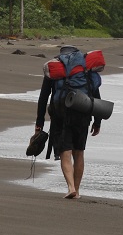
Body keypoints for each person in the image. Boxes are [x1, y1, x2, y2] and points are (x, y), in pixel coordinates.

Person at [35, 45, 102, 199]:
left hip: (61, 115)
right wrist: (97, 121)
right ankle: (77, 191)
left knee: (65, 152)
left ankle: (70, 187)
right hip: (83, 114)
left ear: (61, 55)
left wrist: (39, 123)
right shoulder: (85, 68)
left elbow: (43, 98)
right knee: (79, 152)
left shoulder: (55, 68)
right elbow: (95, 94)